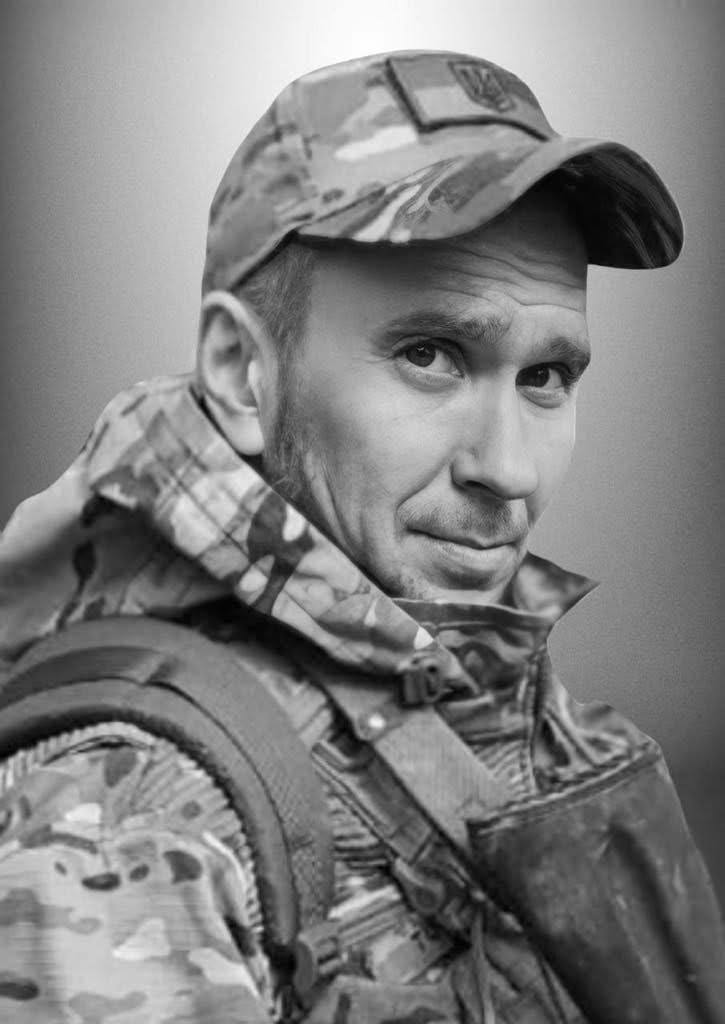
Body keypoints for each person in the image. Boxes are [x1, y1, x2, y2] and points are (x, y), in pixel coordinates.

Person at [0, 49, 723, 1024]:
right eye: (430, 354)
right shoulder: (123, 825)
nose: (507, 468)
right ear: (240, 371)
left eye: (545, 376)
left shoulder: (516, 712)